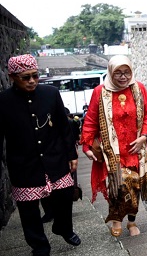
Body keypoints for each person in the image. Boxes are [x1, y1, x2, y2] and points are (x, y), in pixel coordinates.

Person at [0, 54, 81, 255]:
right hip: (23, 165)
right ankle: (40, 246)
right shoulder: (3, 101)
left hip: (56, 158)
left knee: (64, 196)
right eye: (25, 77)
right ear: (12, 77)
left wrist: (72, 154)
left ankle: (63, 228)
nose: (32, 81)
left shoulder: (51, 93)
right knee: (29, 211)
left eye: (35, 76)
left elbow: (64, 127)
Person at [80, 55, 147, 238]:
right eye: (118, 73)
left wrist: (144, 137)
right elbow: (90, 120)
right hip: (111, 151)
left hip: (136, 148)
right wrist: (87, 145)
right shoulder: (100, 91)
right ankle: (116, 219)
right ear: (110, 72)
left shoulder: (139, 88)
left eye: (126, 72)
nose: (123, 77)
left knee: (135, 185)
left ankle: (132, 221)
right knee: (118, 186)